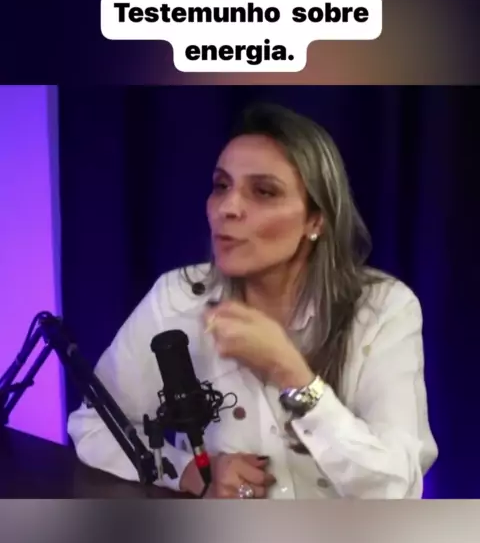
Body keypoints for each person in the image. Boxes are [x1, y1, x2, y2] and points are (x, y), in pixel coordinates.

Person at [67, 102, 438, 498]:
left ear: (316, 219)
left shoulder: (383, 309)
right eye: (221, 186)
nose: (227, 208)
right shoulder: (176, 299)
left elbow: (395, 488)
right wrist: (188, 472)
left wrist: (290, 371)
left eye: (264, 192)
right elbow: (95, 425)